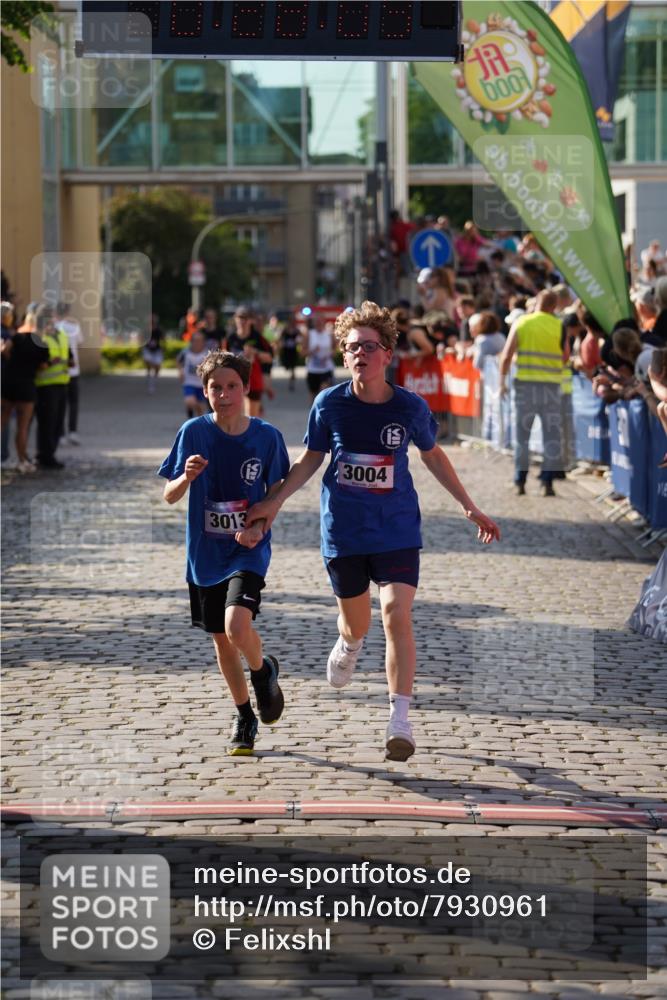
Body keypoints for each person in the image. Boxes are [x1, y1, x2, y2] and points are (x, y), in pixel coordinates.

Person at [244, 301, 500, 762]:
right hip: (343, 531)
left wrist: (469, 506)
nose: (359, 353)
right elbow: (310, 460)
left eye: (369, 346)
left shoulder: (409, 407)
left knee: (396, 614)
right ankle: (349, 641)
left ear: (387, 354)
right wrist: (273, 501)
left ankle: (399, 719)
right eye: (351, 347)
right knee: (358, 621)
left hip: (397, 528)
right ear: (344, 357)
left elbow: (433, 455)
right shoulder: (330, 404)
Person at [159, 351, 290, 755]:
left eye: (232, 386)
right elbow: (169, 495)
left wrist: (258, 525)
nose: (224, 394)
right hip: (204, 555)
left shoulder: (266, 437)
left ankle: (261, 669)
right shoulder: (193, 432)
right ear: (205, 391)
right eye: (216, 387)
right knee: (221, 639)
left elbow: (276, 492)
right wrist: (185, 476)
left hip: (247, 549)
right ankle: (245, 715)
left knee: (237, 626)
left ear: (246, 388)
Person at [499, 289, 564, 497]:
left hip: (526, 387)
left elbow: (507, 355)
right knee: (551, 436)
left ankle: (520, 481)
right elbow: (566, 356)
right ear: (554, 306)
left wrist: (502, 381)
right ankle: (547, 483)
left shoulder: (522, 322)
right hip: (552, 388)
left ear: (536, 303)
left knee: (522, 437)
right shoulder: (559, 325)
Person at [1, 308, 49, 472]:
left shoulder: (16, 337)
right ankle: (22, 460)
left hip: (8, 383)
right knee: (22, 427)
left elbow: (5, 351)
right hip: (26, 386)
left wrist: (12, 361)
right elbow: (43, 366)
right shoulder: (42, 343)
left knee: (2, 421)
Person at [34, 303, 70, 470]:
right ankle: (44, 456)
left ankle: (51, 453)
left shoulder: (61, 334)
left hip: (62, 383)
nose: (53, 319)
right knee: (46, 423)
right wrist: (48, 363)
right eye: (50, 316)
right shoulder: (39, 336)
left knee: (57, 422)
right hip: (45, 385)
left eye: (53, 316)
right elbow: (36, 361)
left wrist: (69, 361)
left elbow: (68, 354)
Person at [55, 301, 84, 444]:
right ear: (68, 312)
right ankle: (72, 431)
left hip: (59, 371)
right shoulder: (74, 326)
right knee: (73, 402)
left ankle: (60, 434)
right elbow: (80, 342)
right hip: (73, 369)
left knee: (61, 404)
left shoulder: (54, 328)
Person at [178, 329, 210, 419]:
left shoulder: (207, 353)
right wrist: (180, 371)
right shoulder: (185, 352)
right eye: (195, 340)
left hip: (201, 384)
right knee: (190, 401)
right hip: (189, 382)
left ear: (203, 342)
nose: (197, 342)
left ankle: (196, 423)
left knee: (200, 409)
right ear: (191, 341)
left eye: (200, 340)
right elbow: (178, 361)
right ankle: (191, 416)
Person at [304, 313, 335, 401]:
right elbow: (302, 352)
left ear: (324, 322)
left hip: (326, 369)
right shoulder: (309, 334)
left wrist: (330, 353)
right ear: (313, 323)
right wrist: (312, 351)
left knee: (324, 393)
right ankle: (314, 413)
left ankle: (323, 413)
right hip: (313, 369)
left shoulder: (329, 334)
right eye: (316, 321)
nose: (319, 323)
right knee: (313, 396)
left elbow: (335, 349)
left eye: (320, 321)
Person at [142, 313, 165, 394]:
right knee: (148, 361)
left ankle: (154, 377)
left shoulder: (159, 329)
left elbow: (163, 339)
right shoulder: (145, 330)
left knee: (157, 365)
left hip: (157, 350)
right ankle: (149, 375)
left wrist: (163, 348)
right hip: (148, 349)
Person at [277, 319, 301, 392]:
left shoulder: (296, 331)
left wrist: (298, 342)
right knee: (287, 366)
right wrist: (282, 343)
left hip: (293, 351)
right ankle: (287, 368)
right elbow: (280, 338)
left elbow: (301, 338)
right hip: (286, 351)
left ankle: (292, 383)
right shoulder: (284, 331)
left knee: (293, 368)